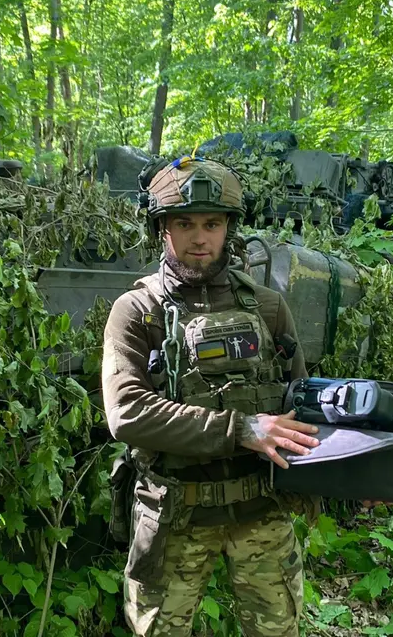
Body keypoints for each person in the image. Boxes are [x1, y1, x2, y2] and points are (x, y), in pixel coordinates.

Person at [102, 157, 320, 637]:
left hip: (262, 513)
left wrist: (354, 473)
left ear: (228, 228)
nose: (199, 238)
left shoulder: (268, 306)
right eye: (185, 224)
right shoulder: (137, 311)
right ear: (162, 228)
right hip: (174, 515)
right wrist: (241, 428)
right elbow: (127, 412)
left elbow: (300, 409)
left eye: (212, 224)